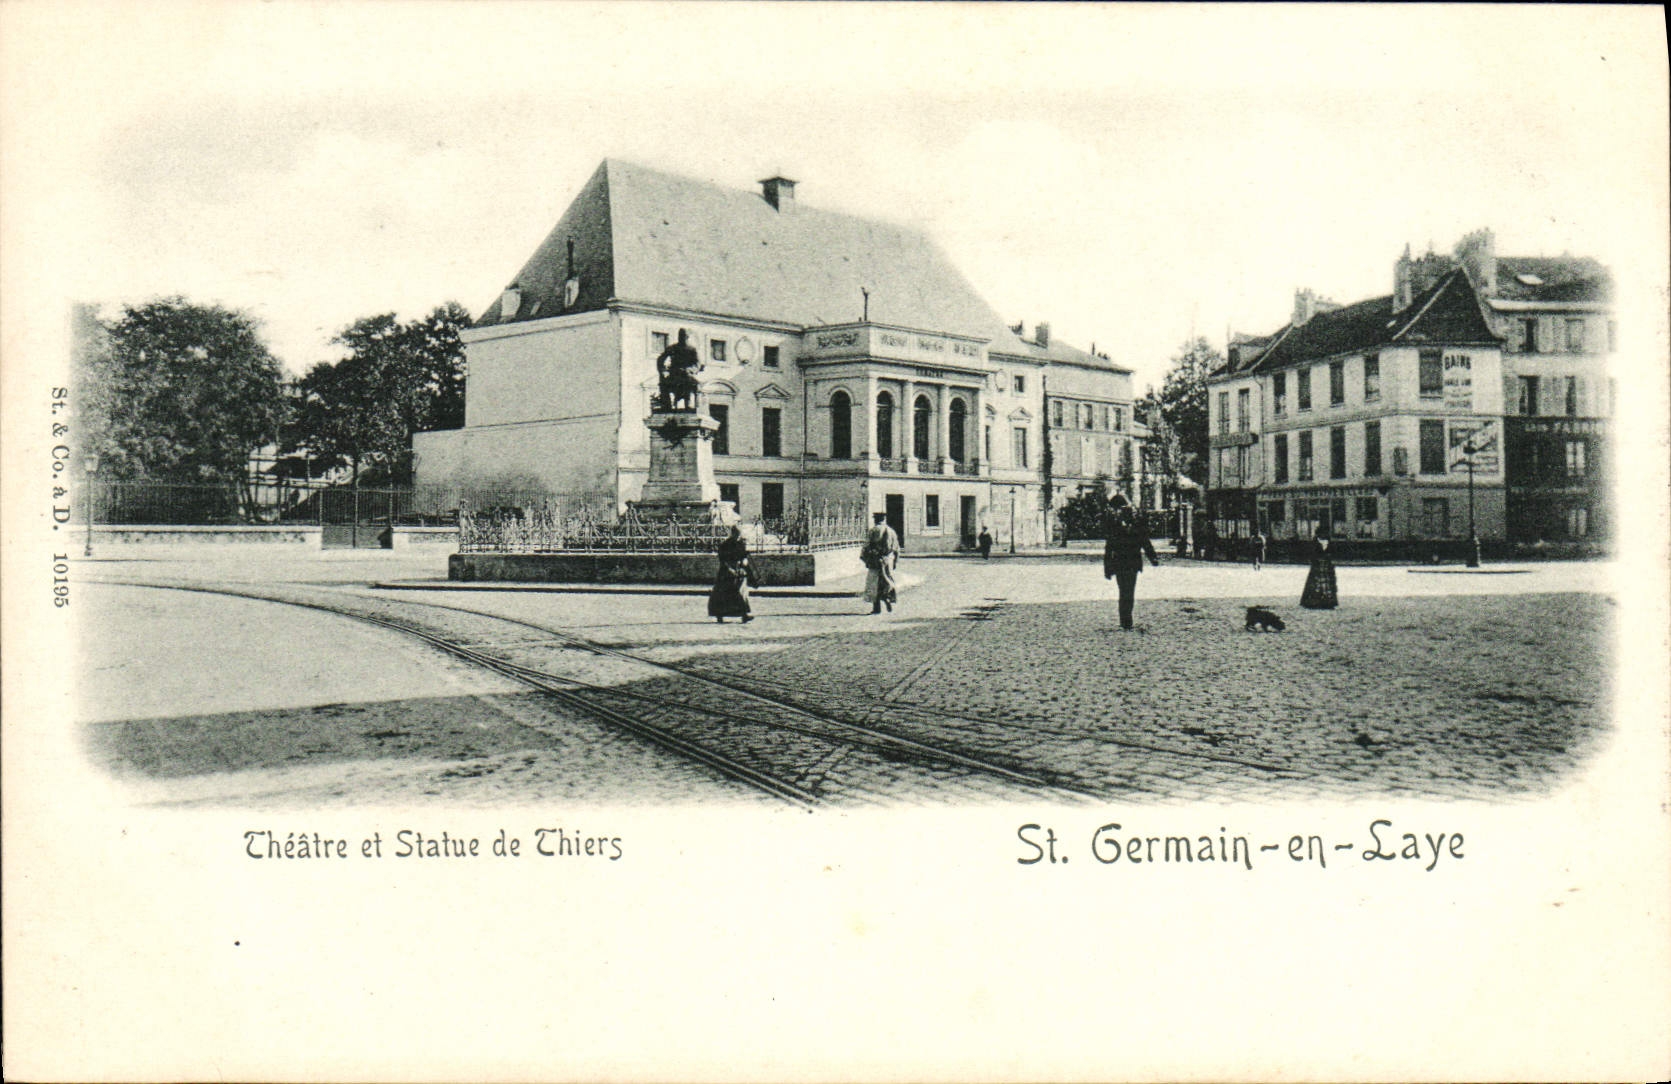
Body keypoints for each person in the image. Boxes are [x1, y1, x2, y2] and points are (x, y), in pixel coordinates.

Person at [1102, 493, 1159, 630]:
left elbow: (1144, 541)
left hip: (1127, 563)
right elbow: (1109, 547)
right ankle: (1126, 620)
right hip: (1125, 563)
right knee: (1126, 591)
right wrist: (1107, 568)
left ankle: (1126, 620)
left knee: (1126, 591)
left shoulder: (1130, 525)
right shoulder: (1116, 525)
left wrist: (1153, 557)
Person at [708, 525, 753, 623]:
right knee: (722, 594)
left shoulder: (741, 544)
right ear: (732, 533)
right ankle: (719, 614)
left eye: (739, 534)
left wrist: (744, 563)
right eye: (736, 534)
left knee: (741, 593)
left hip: (739, 571)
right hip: (726, 572)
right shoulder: (725, 545)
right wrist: (729, 569)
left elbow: (744, 557)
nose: (738, 536)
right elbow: (723, 559)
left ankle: (744, 615)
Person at [861, 512, 901, 614]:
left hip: (876, 560)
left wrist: (866, 559)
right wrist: (895, 561)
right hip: (888, 560)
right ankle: (887, 597)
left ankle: (877, 608)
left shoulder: (874, 530)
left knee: (874, 584)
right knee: (887, 581)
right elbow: (897, 548)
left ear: (876, 519)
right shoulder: (891, 531)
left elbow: (866, 546)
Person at [655, 329, 703, 411]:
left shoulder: (692, 349)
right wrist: (662, 371)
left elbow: (697, 364)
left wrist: (690, 369)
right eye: (680, 336)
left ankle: (688, 405)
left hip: (686, 374)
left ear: (687, 337)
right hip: (674, 374)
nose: (681, 338)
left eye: (683, 336)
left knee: (689, 382)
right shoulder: (673, 348)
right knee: (663, 384)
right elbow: (660, 359)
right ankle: (667, 406)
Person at [1299, 526, 1339, 609]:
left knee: (1327, 583)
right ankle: (1315, 601)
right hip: (1317, 566)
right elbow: (1311, 553)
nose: (1324, 535)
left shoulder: (1329, 542)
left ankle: (1328, 601)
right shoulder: (1315, 542)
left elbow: (1333, 552)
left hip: (1327, 566)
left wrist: (1329, 557)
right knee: (1316, 583)